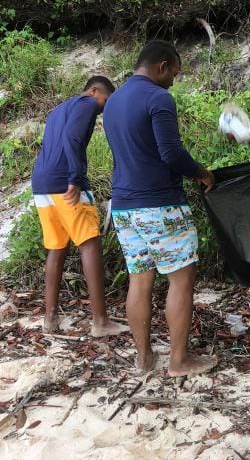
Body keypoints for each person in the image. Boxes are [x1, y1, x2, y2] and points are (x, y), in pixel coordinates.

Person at [103, 40, 215, 376]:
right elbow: (172, 153)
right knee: (180, 281)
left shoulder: (113, 101)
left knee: (139, 281)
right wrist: (201, 173)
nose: (173, 82)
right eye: (174, 74)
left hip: (123, 207)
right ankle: (179, 362)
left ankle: (144, 358)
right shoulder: (158, 97)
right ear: (162, 66)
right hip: (160, 206)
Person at [32, 76, 126, 337]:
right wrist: (74, 177)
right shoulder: (86, 104)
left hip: (41, 183)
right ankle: (100, 321)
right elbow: (73, 138)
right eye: (105, 102)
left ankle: (50, 318)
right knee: (90, 243)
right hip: (65, 182)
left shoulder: (59, 109)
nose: (103, 109)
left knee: (56, 247)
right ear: (94, 91)